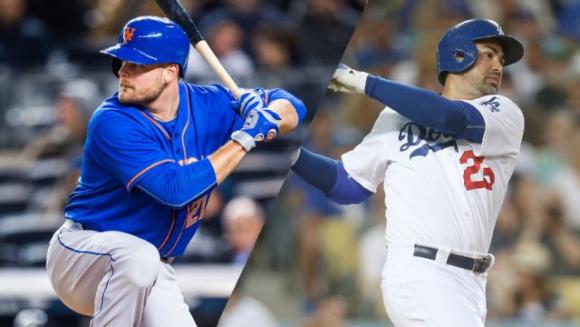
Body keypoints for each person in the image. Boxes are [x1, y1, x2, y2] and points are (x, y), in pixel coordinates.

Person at [45, 16, 306, 327]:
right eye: (121, 62)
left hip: (151, 268)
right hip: (83, 255)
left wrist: (268, 113)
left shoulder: (210, 104)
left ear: (170, 72)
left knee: (145, 265)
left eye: (137, 64)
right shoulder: (112, 120)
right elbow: (175, 191)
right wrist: (246, 137)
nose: (123, 72)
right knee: (138, 257)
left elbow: (294, 107)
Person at [291, 19, 525, 326]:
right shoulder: (396, 116)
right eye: (489, 54)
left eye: (502, 60)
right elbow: (348, 184)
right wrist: (292, 154)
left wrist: (365, 83)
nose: (498, 65)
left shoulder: (504, 112)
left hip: (472, 282)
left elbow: (448, 116)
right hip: (419, 270)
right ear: (459, 55)